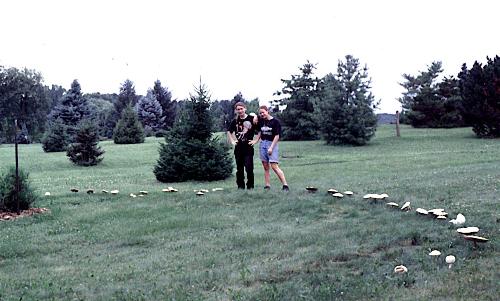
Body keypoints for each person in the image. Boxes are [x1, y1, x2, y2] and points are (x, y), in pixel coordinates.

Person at [249, 105, 289, 191]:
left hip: (272, 144)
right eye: (260, 113)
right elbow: (260, 130)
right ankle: (267, 185)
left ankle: (285, 185)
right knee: (265, 166)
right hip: (262, 144)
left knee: (274, 166)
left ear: (267, 111)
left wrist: (271, 148)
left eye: (263, 112)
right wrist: (256, 116)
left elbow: (277, 136)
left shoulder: (275, 122)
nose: (262, 114)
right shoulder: (261, 120)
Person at [227, 102, 256, 189]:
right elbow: (229, 131)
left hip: (248, 148)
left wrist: (255, 140)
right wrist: (232, 140)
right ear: (236, 110)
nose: (240, 111)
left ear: (245, 109)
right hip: (238, 148)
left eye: (241, 109)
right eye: (238, 109)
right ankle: (240, 186)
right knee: (239, 169)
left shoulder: (252, 119)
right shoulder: (235, 121)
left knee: (249, 168)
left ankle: (250, 187)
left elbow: (260, 130)